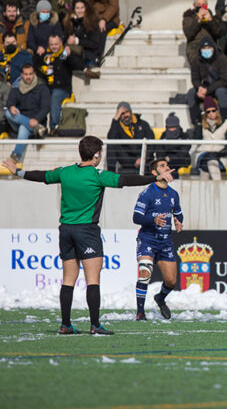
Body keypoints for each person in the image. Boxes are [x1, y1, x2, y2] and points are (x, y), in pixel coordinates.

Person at [2, 136, 176, 335]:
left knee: (68, 279)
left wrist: (18, 171)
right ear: (96, 155)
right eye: (100, 152)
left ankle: (65, 324)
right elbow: (127, 180)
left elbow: (41, 176)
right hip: (87, 231)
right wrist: (154, 178)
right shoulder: (97, 175)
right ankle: (95, 325)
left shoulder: (65, 172)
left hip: (65, 230)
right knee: (93, 279)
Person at [133, 157, 184, 321]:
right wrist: (152, 220)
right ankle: (140, 312)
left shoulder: (173, 194)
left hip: (165, 242)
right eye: (163, 166)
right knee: (145, 273)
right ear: (155, 173)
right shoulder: (147, 193)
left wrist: (178, 220)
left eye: (167, 165)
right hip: (147, 239)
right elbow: (136, 217)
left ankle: (160, 298)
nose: (167, 168)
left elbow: (178, 212)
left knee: (171, 281)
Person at [34, 34, 84, 132]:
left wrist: (69, 55)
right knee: (40, 96)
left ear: (61, 43)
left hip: (63, 89)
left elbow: (79, 65)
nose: (54, 47)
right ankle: (40, 127)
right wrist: (37, 54)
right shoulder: (45, 55)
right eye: (51, 44)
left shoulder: (65, 54)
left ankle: (54, 126)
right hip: (48, 88)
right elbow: (36, 69)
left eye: (56, 44)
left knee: (55, 96)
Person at [5, 63, 50, 162]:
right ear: (21, 75)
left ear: (34, 74)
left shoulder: (42, 88)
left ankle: (15, 157)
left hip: (36, 120)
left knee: (23, 127)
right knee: (8, 113)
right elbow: (10, 101)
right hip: (22, 121)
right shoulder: (16, 88)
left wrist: (36, 120)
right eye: (25, 74)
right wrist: (11, 106)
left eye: (30, 74)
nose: (28, 77)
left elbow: (46, 108)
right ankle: (35, 127)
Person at [187, 37, 227, 126]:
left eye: (209, 48)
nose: (206, 50)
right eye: (204, 49)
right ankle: (196, 122)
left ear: (213, 48)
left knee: (221, 92)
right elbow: (195, 78)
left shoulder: (222, 59)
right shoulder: (196, 60)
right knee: (191, 93)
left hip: (219, 87)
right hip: (204, 87)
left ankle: (226, 120)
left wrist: (208, 90)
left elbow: (224, 80)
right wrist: (199, 87)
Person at [106, 100, 155, 173]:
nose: (126, 115)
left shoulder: (143, 124)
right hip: (127, 160)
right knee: (111, 145)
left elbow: (151, 143)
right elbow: (110, 139)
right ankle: (110, 175)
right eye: (122, 113)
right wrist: (115, 119)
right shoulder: (117, 126)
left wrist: (143, 158)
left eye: (127, 112)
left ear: (131, 112)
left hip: (144, 159)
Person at [191, 96, 227, 180]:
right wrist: (199, 124)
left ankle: (204, 191)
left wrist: (218, 154)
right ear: (205, 113)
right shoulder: (202, 125)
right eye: (208, 111)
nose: (211, 113)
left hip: (220, 155)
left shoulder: (225, 124)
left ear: (217, 111)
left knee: (208, 165)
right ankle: (218, 188)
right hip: (204, 154)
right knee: (210, 161)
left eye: (213, 110)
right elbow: (196, 138)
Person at [61, 0, 103, 69]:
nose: (80, 11)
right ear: (74, 10)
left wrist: (77, 41)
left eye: (82, 8)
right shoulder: (70, 22)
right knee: (62, 56)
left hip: (87, 54)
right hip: (71, 53)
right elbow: (64, 38)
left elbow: (94, 44)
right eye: (77, 8)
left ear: (86, 8)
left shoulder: (92, 22)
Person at [183, 0, 225, 65]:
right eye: (198, 5)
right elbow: (189, 35)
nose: (201, 7)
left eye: (203, 5)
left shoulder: (214, 18)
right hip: (195, 47)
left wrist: (210, 21)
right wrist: (198, 20)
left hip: (211, 46)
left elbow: (218, 33)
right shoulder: (188, 18)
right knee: (198, 62)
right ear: (194, 6)